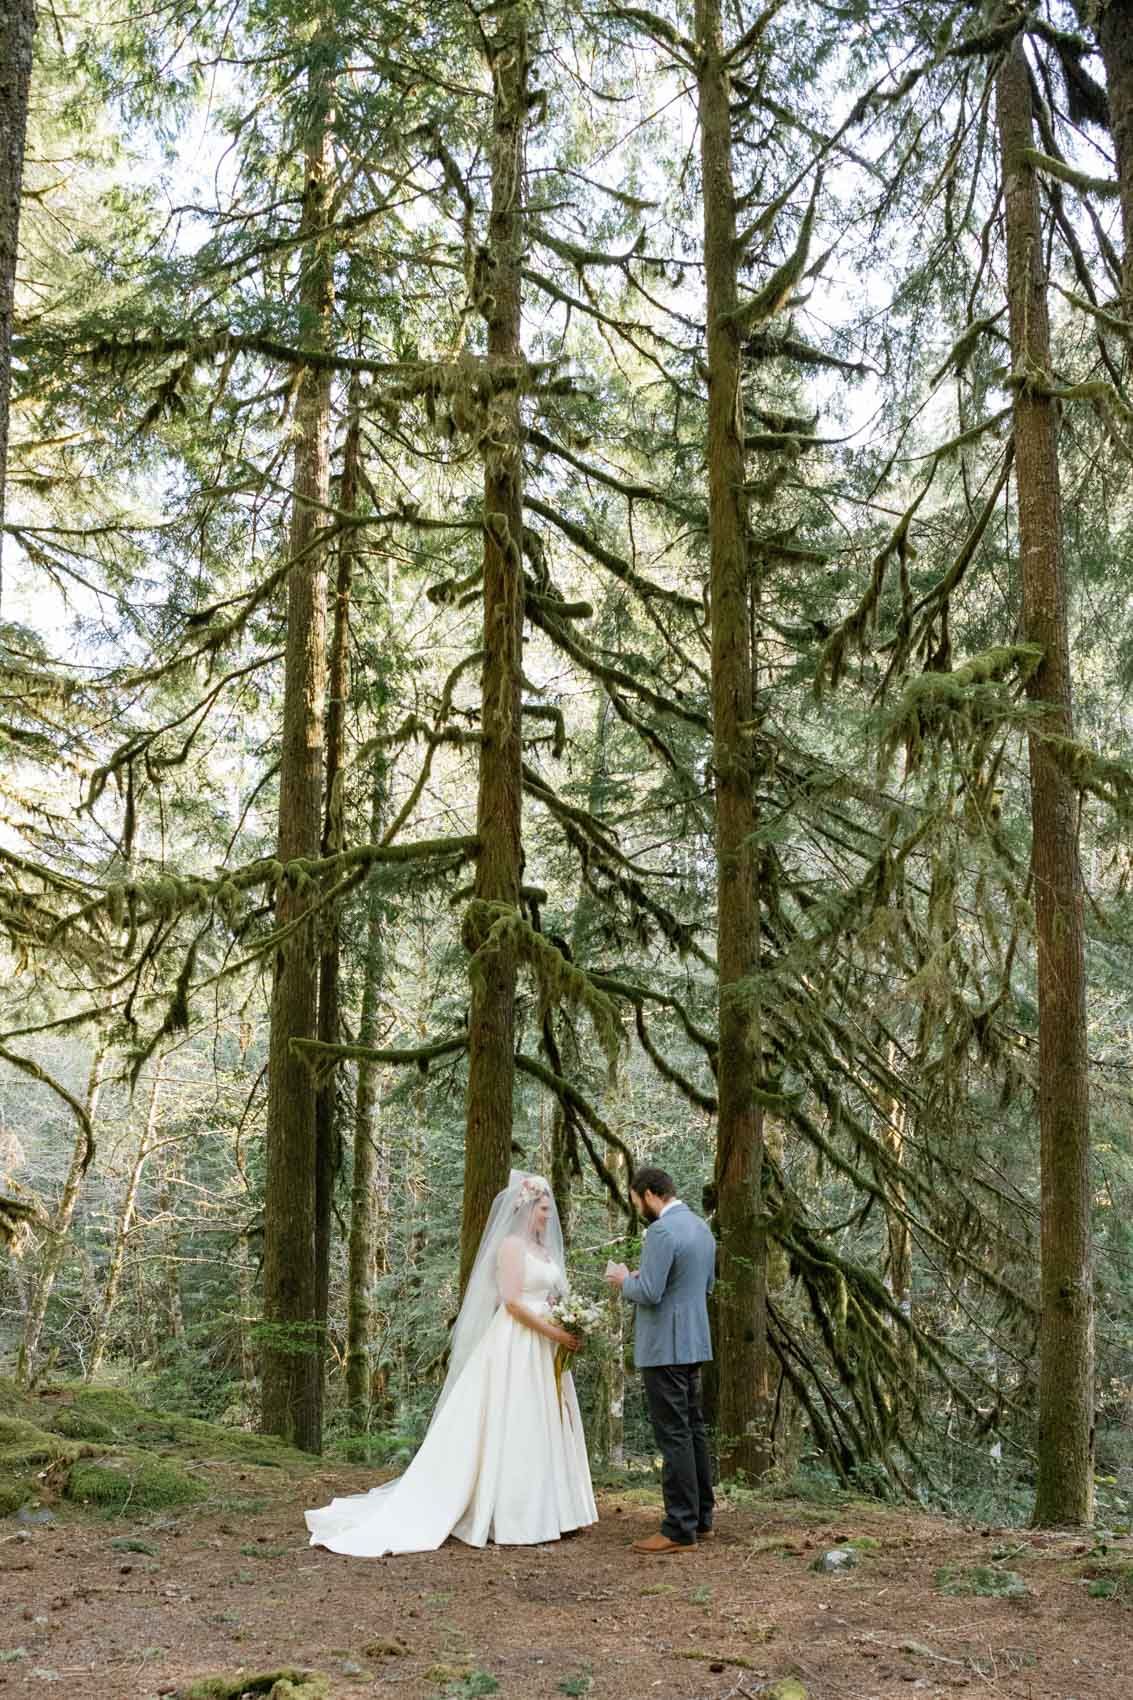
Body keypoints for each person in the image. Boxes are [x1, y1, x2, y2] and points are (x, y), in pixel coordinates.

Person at [305, 1171, 597, 1555]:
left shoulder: (543, 1250)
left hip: (545, 1348)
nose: (548, 1216)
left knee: (543, 1420)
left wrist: (566, 1321)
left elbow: (550, 1295)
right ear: (526, 1208)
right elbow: (511, 1302)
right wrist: (555, 1333)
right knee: (517, 1419)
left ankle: (554, 1512)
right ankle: (512, 1515)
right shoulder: (511, 1247)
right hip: (519, 1343)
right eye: (543, 1209)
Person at [606, 1165, 716, 1553]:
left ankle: (678, 1528)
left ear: (650, 1194)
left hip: (664, 1348)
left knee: (673, 1434)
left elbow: (650, 1292)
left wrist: (623, 1281)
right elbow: (701, 1284)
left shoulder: (661, 1231)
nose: (639, 1209)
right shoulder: (701, 1228)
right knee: (693, 1429)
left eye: (637, 1201)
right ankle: (702, 1519)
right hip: (694, 1343)